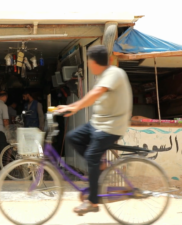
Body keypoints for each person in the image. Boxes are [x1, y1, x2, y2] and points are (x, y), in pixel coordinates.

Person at [56, 45, 132, 215]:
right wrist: (71, 106)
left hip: (111, 127)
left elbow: (96, 93)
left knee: (91, 156)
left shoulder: (114, 73)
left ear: (93, 62)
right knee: (72, 137)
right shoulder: (103, 76)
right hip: (97, 124)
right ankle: (100, 164)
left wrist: (73, 107)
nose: (89, 66)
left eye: (89, 63)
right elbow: (93, 96)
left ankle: (92, 201)